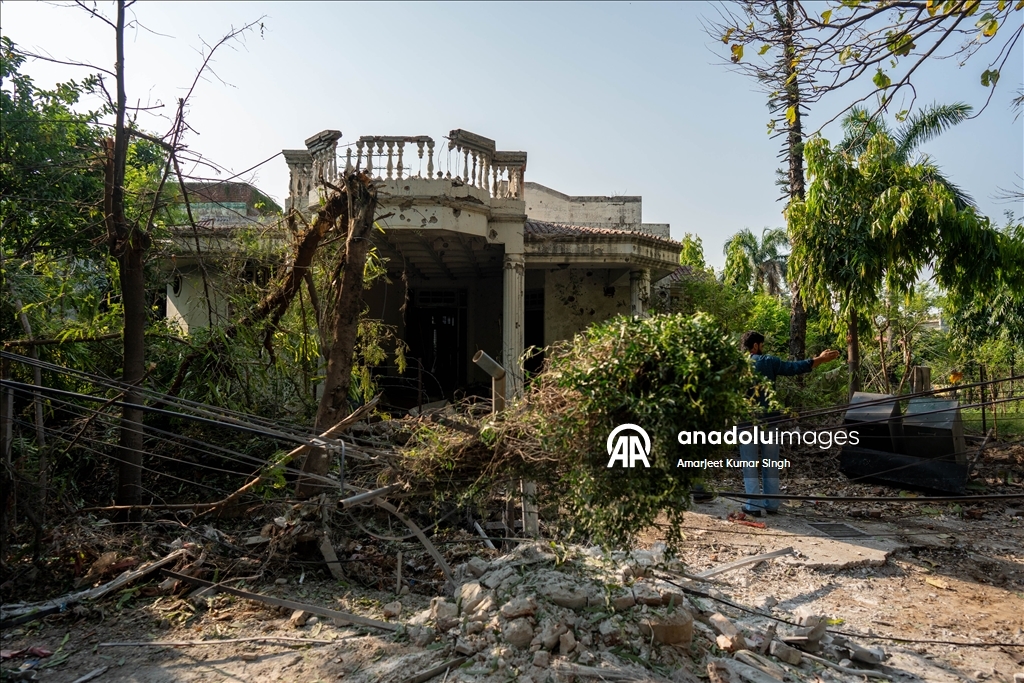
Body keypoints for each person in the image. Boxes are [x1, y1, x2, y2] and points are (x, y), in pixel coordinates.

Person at [740, 331, 839, 517]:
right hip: (770, 421)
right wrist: (820, 359)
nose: (763, 347)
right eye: (761, 344)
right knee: (771, 462)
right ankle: (772, 504)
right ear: (755, 346)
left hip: (746, 422)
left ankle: (753, 506)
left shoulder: (737, 365)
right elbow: (794, 368)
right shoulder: (769, 361)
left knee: (749, 463)